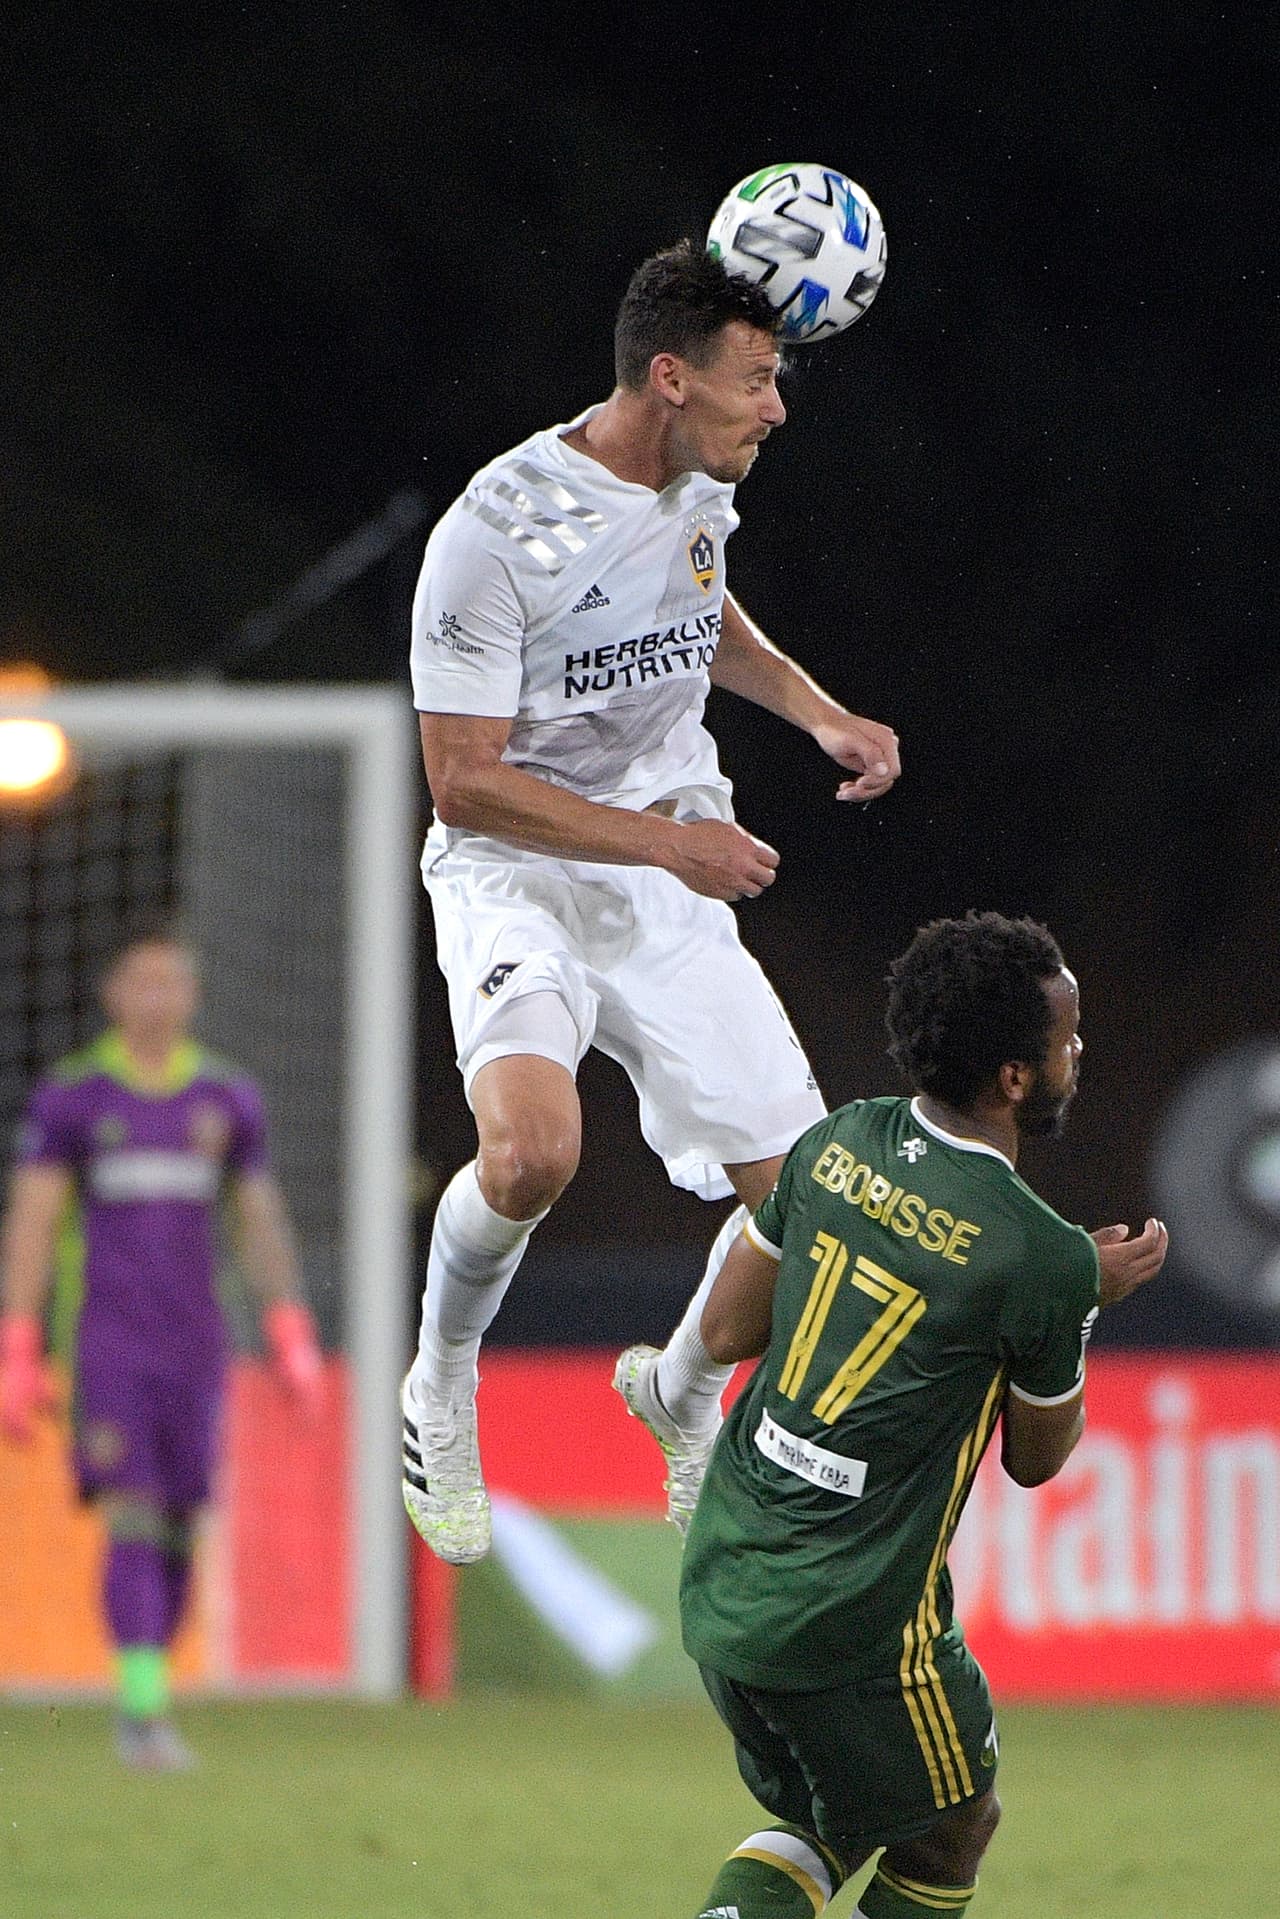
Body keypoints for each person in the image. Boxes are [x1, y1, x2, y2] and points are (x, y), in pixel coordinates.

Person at [402, 238, 901, 1564]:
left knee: (810, 1216)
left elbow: (700, 606)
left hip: (658, 868)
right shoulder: (492, 536)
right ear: (671, 378)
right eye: (757, 378)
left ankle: (678, 1391)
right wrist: (659, 845)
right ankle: (441, 1377)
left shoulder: (697, 482)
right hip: (522, 867)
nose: (778, 405)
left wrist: (818, 712)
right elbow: (462, 783)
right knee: (531, 1154)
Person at [678, 910, 1168, 1919]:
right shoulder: (1037, 1254)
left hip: (726, 1569)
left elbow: (726, 1328)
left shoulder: (834, 1140)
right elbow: (1037, 1459)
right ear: (1014, 1078)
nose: (1078, 1048)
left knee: (834, 1813)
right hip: (851, 1615)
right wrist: (1077, 1298)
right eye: (1064, 1035)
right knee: (953, 1821)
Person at [0, 922, 322, 1770]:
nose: (156, 998)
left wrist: (288, 1325)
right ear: (113, 994)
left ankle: (150, 1697)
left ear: (191, 996)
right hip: (109, 1347)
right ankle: (141, 1711)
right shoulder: (74, 1099)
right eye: (139, 981)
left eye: (170, 982)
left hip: (196, 1348)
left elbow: (258, 1221)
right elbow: (34, 1223)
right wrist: (18, 1343)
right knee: (133, 1512)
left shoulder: (225, 1102)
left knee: (180, 1522)